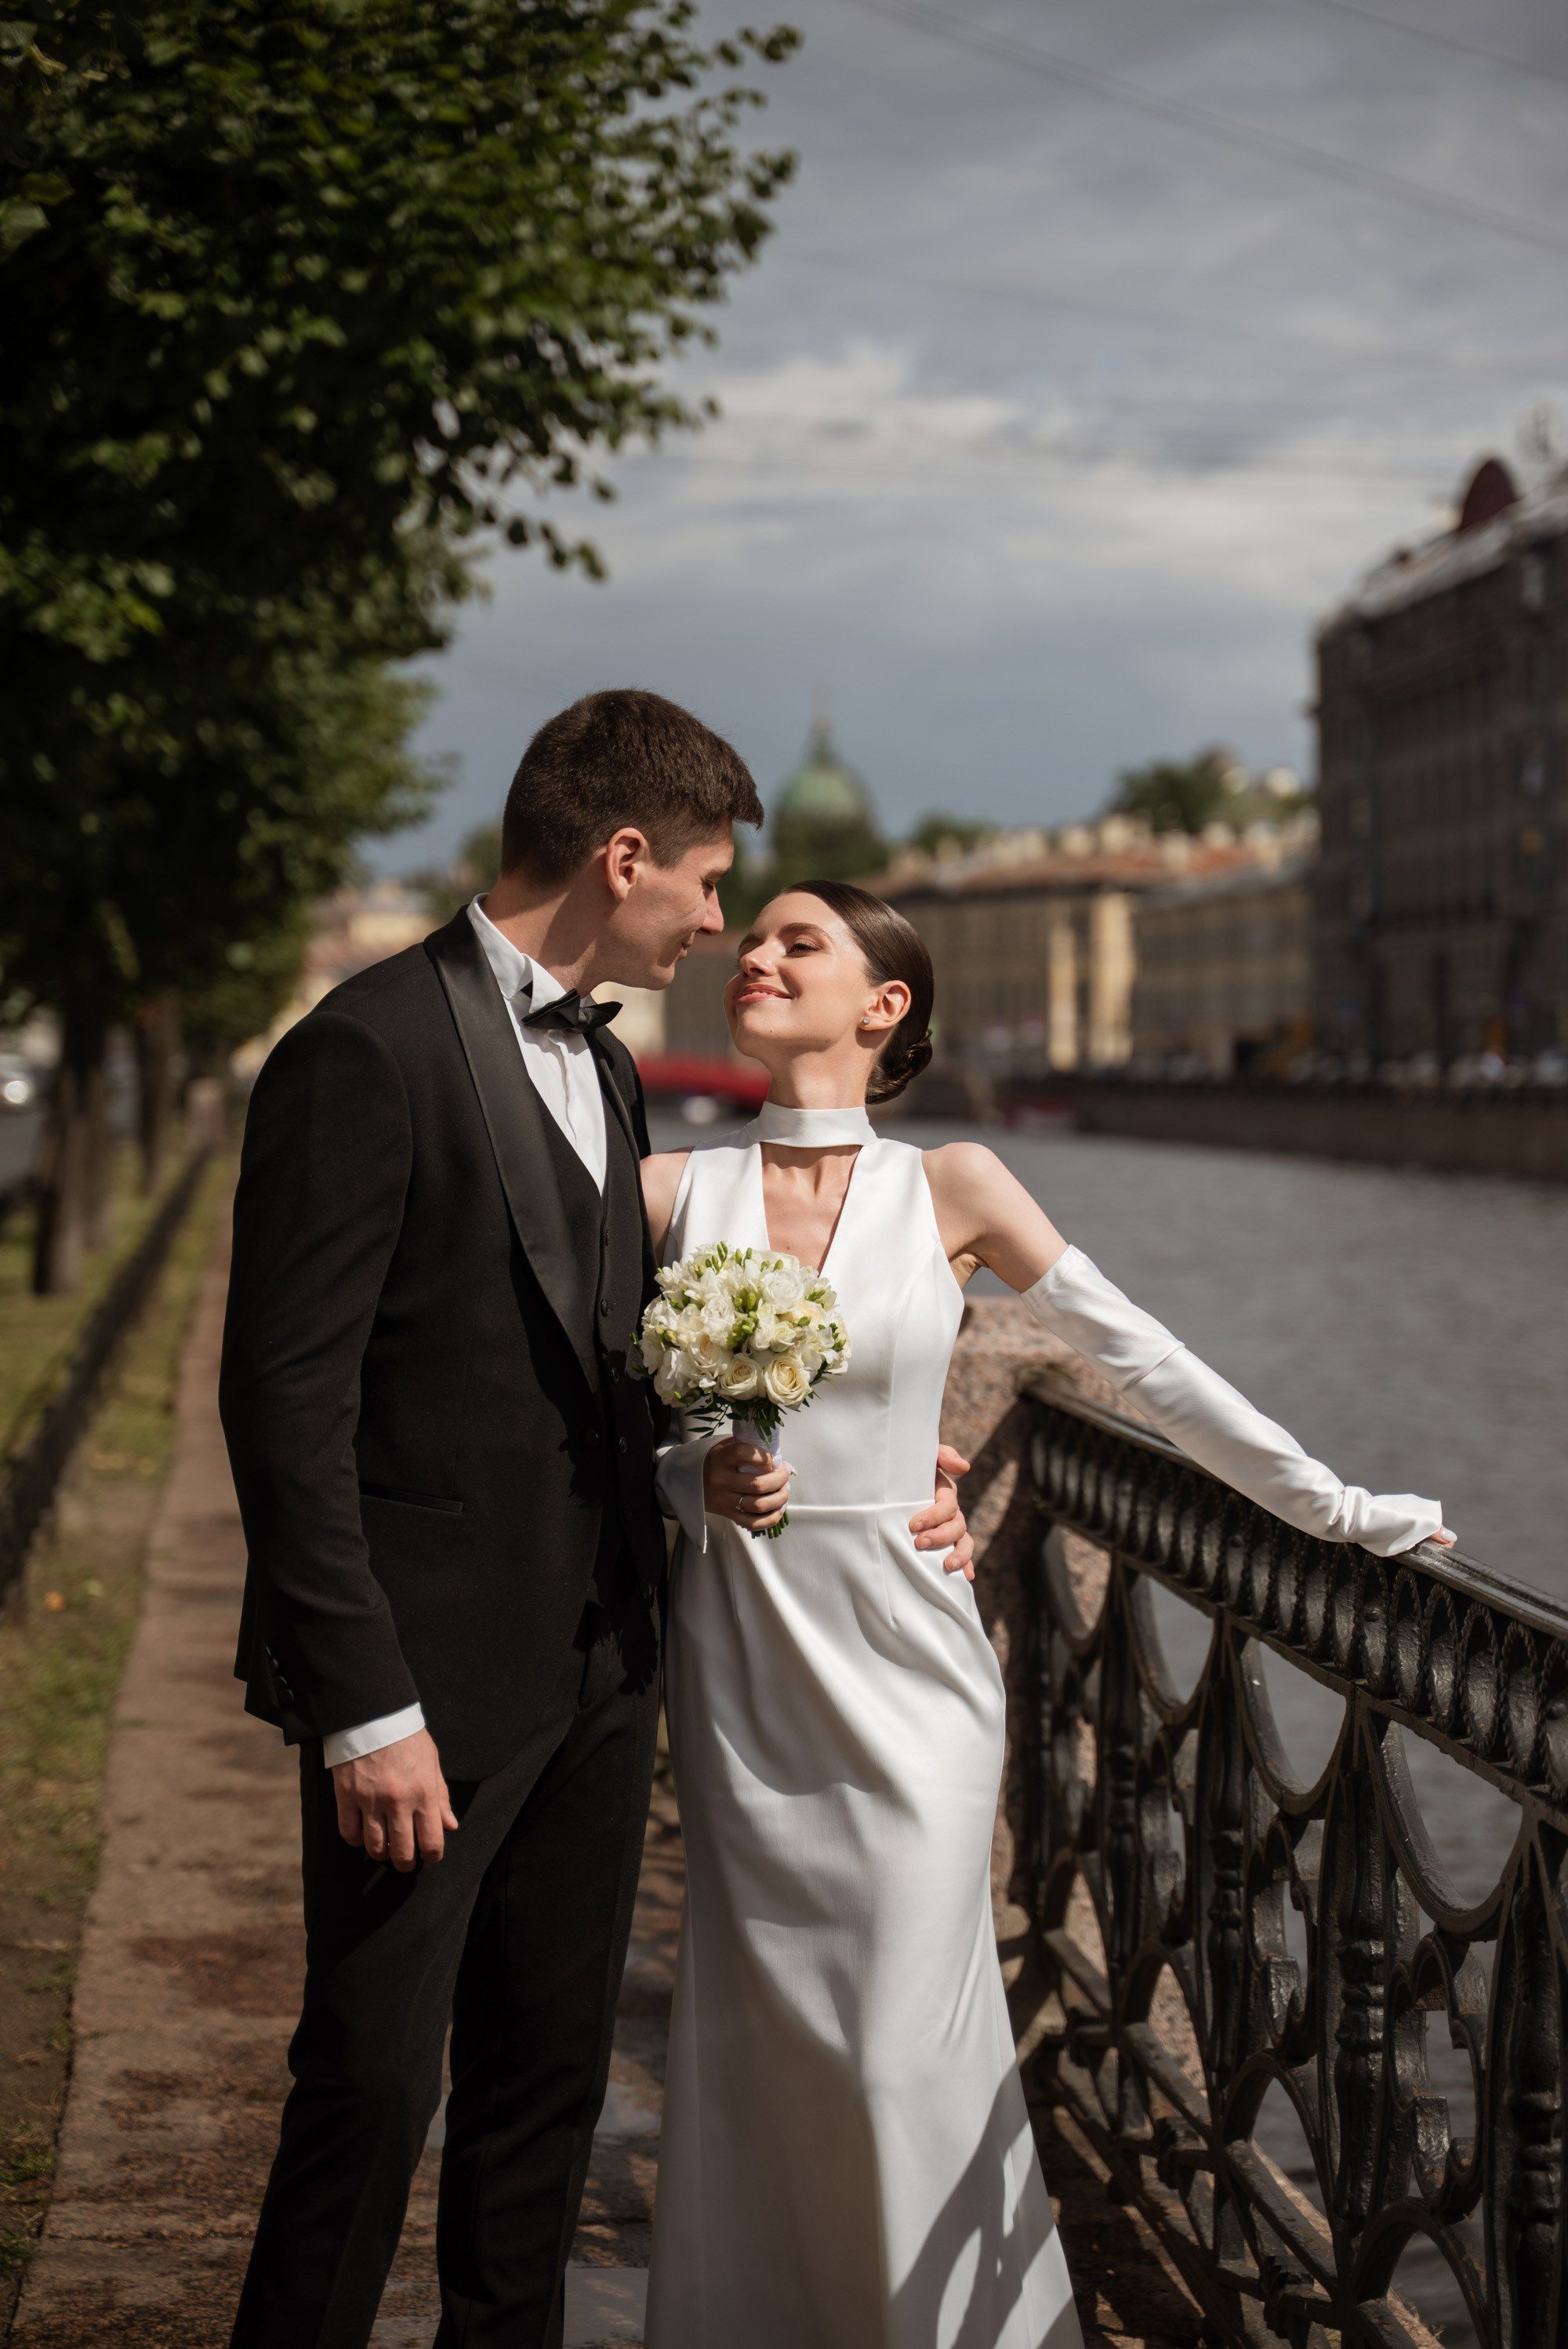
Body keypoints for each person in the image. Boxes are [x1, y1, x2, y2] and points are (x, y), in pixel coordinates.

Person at [218, 692, 978, 2349]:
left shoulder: (613, 1068)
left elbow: (613, 1375)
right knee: (362, 2092)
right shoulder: (365, 1047)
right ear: (621, 856)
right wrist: (362, 1708)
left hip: (606, 1667)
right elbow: (285, 1412)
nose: (717, 926)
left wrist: (891, 1459)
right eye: (706, 884)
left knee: (539, 2107)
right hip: (418, 1694)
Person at [640, 879, 1452, 2349]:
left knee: (899, 2041)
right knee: (765, 2034)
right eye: (748, 938)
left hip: (905, 1652)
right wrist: (682, 1472)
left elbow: (1145, 1362)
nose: (752, 955)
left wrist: (1331, 1508)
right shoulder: (663, 1192)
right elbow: (562, 1422)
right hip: (745, 1647)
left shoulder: (953, 1185)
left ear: (884, 1008)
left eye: (796, 941)